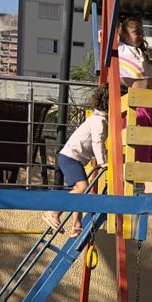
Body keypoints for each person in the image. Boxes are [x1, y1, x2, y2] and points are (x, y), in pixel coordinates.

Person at [44, 85, 108, 233]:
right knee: (82, 188)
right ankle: (53, 211)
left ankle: (76, 224)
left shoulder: (97, 118)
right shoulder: (99, 121)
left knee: (79, 190)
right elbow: (97, 142)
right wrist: (103, 162)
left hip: (72, 158)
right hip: (70, 157)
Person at [116, 15, 152, 194]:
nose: (141, 35)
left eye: (142, 32)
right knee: (142, 142)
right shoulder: (121, 48)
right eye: (137, 32)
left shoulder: (140, 53)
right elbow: (105, 38)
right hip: (137, 105)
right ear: (123, 34)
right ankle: (148, 181)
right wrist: (107, 33)